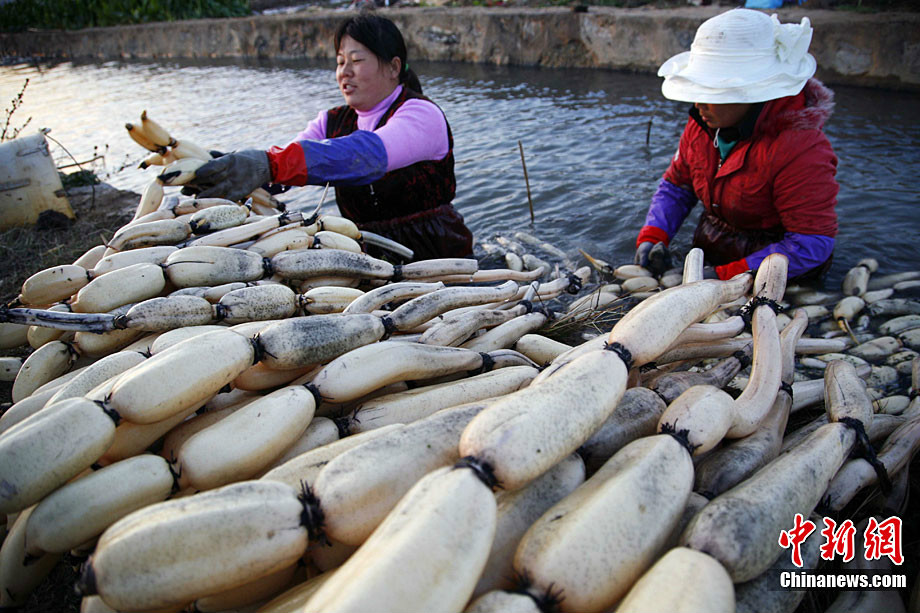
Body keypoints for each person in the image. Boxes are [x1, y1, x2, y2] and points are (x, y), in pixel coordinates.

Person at [185, 13, 473, 262]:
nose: (344, 73)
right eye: (339, 62)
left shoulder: (422, 115)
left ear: (393, 67)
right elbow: (287, 162)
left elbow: (365, 157)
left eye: (356, 61)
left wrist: (269, 164)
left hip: (434, 249)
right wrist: (235, 169)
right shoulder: (331, 121)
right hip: (364, 249)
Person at [634, 8, 838, 281]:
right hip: (714, 244)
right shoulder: (704, 123)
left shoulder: (800, 149)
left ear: (753, 92)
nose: (698, 105)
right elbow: (678, 186)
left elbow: (811, 243)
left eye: (711, 93)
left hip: (778, 267)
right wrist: (654, 234)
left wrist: (728, 276)